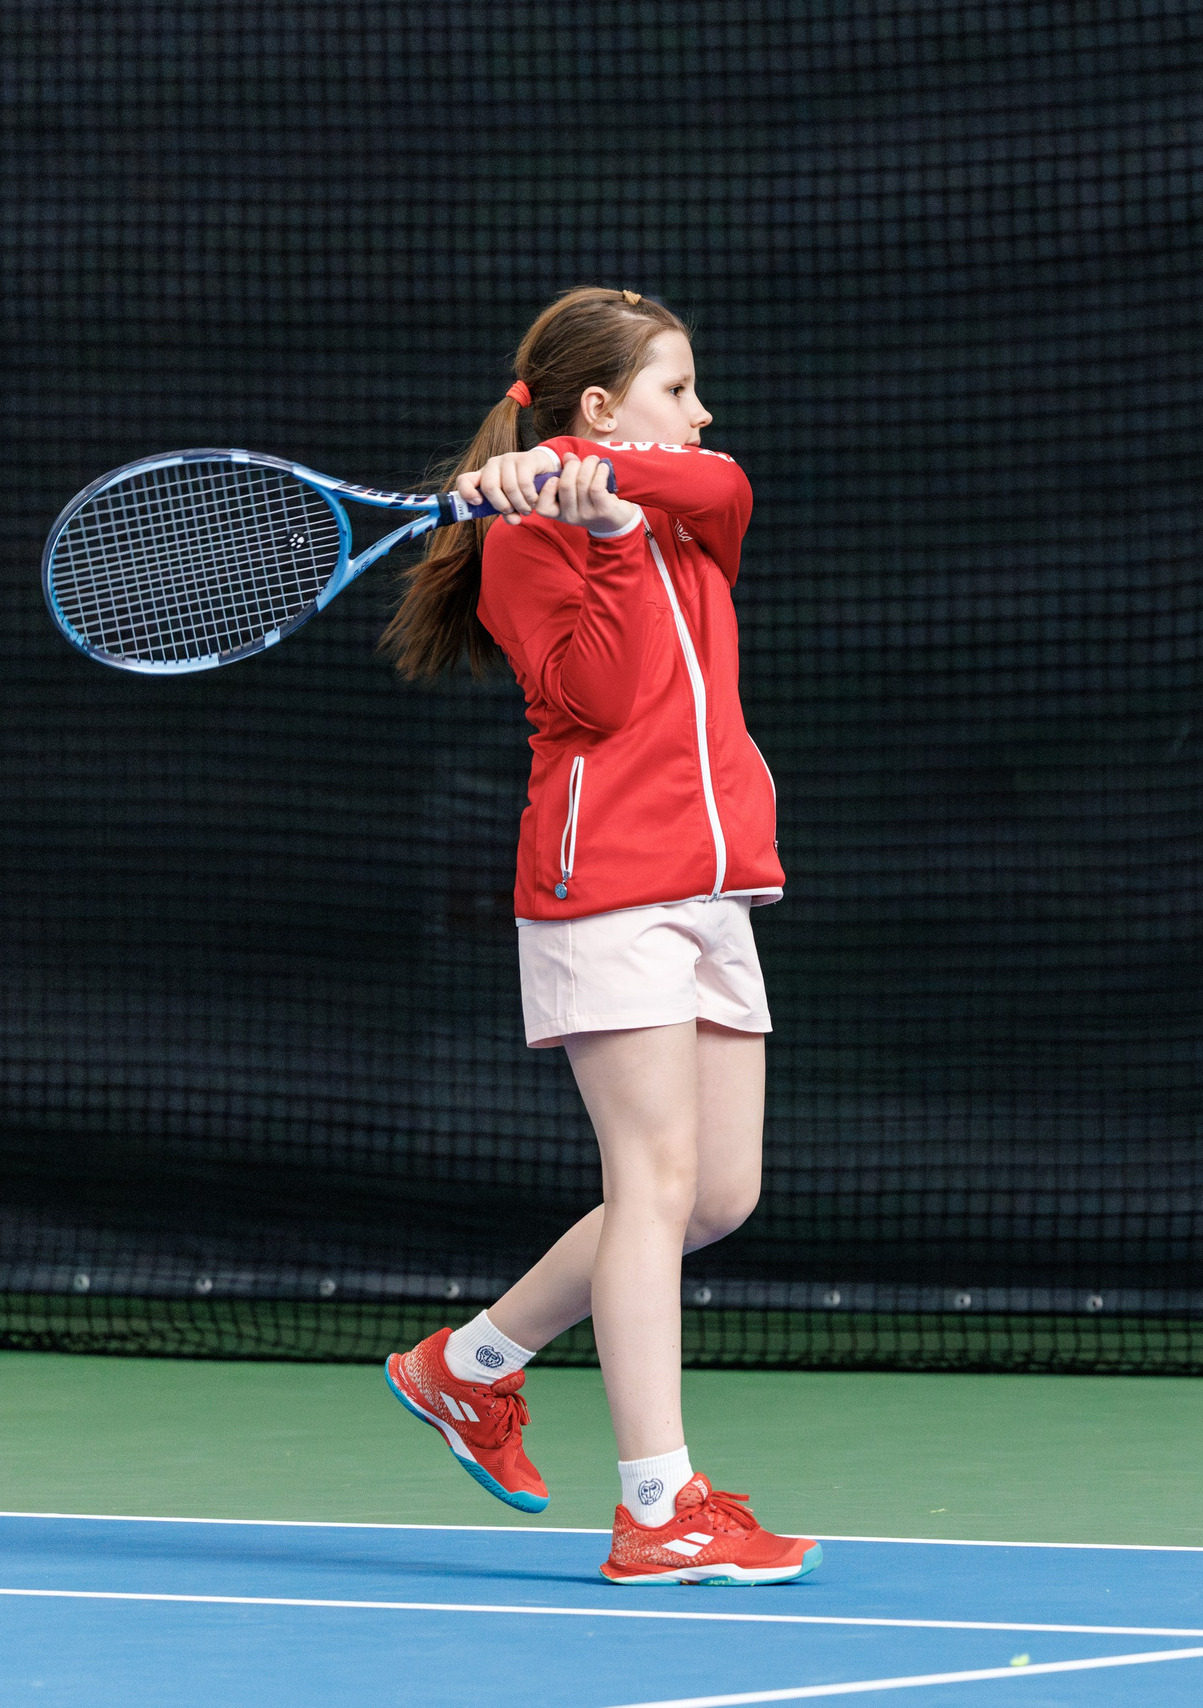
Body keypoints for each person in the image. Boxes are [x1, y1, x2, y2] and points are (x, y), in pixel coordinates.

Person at [375, 286, 818, 1587]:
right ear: (601, 396)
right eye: (679, 387)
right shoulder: (528, 544)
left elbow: (729, 486)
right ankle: (658, 1506)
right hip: (607, 881)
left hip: (716, 878)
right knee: (655, 1184)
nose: (705, 412)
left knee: (716, 1196)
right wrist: (606, 530)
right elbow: (596, 698)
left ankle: (465, 1370)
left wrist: (595, 472)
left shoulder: (686, 494)